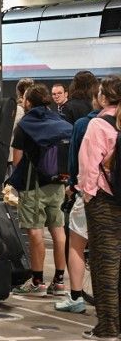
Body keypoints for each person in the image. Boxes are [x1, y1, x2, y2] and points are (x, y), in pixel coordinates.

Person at [9, 84, 71, 296]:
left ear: (28, 102)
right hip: (59, 184)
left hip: (33, 186)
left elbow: (17, 158)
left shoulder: (25, 124)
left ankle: (37, 282)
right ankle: (60, 282)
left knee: (35, 231)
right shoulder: (60, 121)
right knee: (58, 229)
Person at [77, 75, 121, 341]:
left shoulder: (98, 124)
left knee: (106, 264)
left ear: (103, 97)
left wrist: (88, 196)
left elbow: (88, 167)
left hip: (105, 201)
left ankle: (107, 327)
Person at [56, 81, 101, 313]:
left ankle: (75, 297)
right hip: (115, 197)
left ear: (100, 98)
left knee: (77, 244)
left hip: (90, 193)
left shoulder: (86, 124)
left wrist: (72, 185)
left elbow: (77, 161)